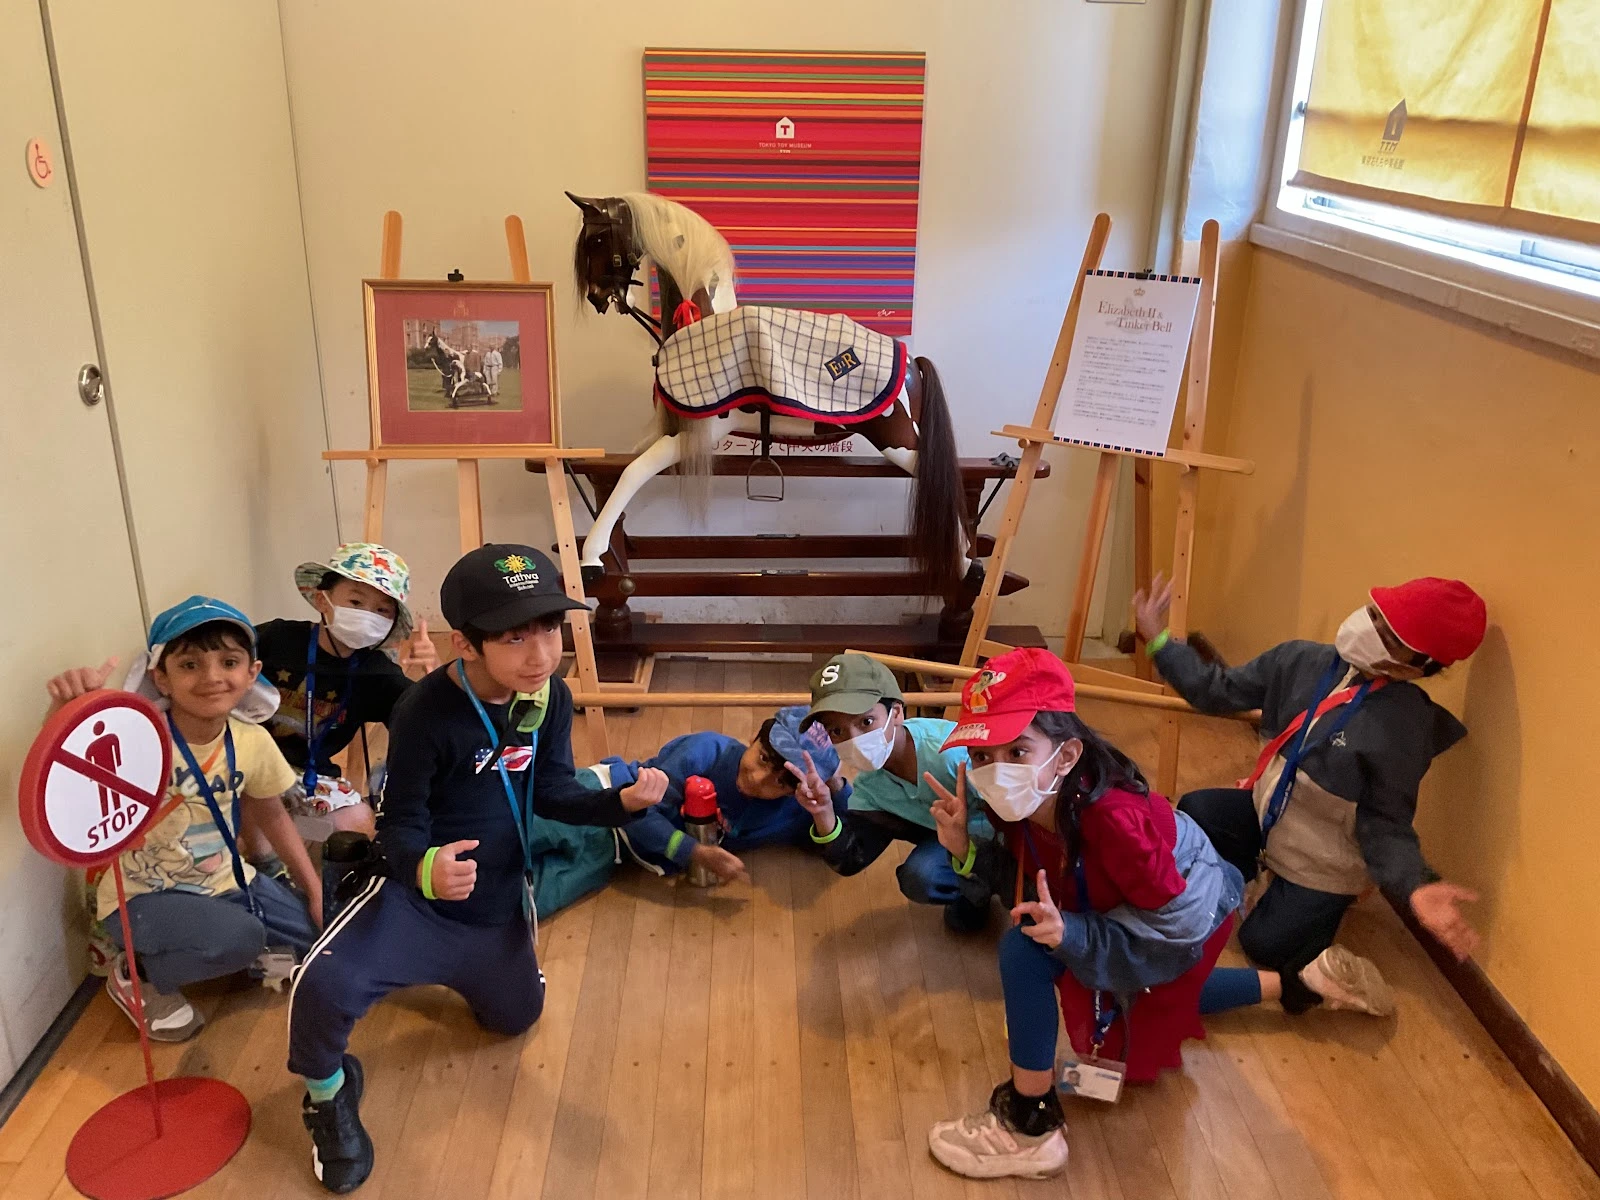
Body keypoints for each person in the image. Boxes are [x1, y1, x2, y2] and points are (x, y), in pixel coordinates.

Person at [287, 544, 667, 1194]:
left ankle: (483, 961)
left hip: (492, 901)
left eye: (549, 628)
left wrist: (620, 804)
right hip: (415, 897)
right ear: (464, 643)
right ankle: (328, 1097)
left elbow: (553, 791)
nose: (541, 654)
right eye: (515, 637)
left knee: (517, 1018)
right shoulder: (424, 711)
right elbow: (399, 822)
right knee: (322, 986)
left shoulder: (549, 695)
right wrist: (424, 869)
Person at [922, 649, 1243, 1180]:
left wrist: (1074, 935)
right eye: (981, 756)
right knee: (1124, 994)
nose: (996, 770)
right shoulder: (1022, 803)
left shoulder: (1113, 820)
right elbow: (1028, 881)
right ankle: (1300, 982)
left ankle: (1031, 1126)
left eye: (1017, 751)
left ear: (1067, 755)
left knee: (1035, 954)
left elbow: (1173, 930)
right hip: (1118, 907)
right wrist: (965, 849)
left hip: (1180, 918)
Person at [1133, 574, 1487, 1020]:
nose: (1368, 629)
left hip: (1322, 859)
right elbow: (1216, 689)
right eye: (1375, 614)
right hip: (1269, 816)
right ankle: (1266, 880)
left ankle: (1326, 911)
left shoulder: (1402, 726)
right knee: (1197, 811)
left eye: (1391, 638)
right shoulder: (1300, 660)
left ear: (1420, 666)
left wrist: (1417, 885)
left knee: (1264, 945)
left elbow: (1385, 823)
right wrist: (1159, 641)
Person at [46, 598, 322, 1043]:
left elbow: (272, 814)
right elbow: (65, 772)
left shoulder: (251, 740)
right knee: (242, 939)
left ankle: (228, 941)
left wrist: (314, 890)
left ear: (252, 672)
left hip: (223, 879)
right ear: (161, 677)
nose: (212, 677)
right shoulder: (135, 739)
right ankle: (138, 974)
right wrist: (69, 711)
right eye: (190, 665)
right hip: (143, 895)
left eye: (229, 662)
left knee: (315, 937)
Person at [248, 543, 438, 870]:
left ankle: (293, 850)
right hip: (249, 770)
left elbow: (431, 724)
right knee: (258, 837)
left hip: (309, 780)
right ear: (323, 600)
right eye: (355, 602)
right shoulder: (276, 639)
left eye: (382, 610)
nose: (368, 615)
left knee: (360, 827)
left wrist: (432, 673)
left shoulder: (378, 673)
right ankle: (271, 855)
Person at [788, 653, 1000, 931]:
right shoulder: (870, 787)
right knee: (920, 878)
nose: (855, 740)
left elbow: (1013, 816)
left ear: (897, 713)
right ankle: (975, 890)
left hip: (998, 836)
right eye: (837, 731)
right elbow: (851, 858)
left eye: (866, 722)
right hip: (950, 839)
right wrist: (824, 812)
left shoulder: (953, 755)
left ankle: (988, 881)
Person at [586, 705, 841, 881]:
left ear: (795, 791)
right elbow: (635, 812)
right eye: (763, 758)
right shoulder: (705, 752)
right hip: (602, 796)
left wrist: (832, 793)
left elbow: (842, 850)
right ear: (754, 737)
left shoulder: (791, 810)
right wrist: (694, 852)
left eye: (781, 782)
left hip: (617, 854)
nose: (757, 779)